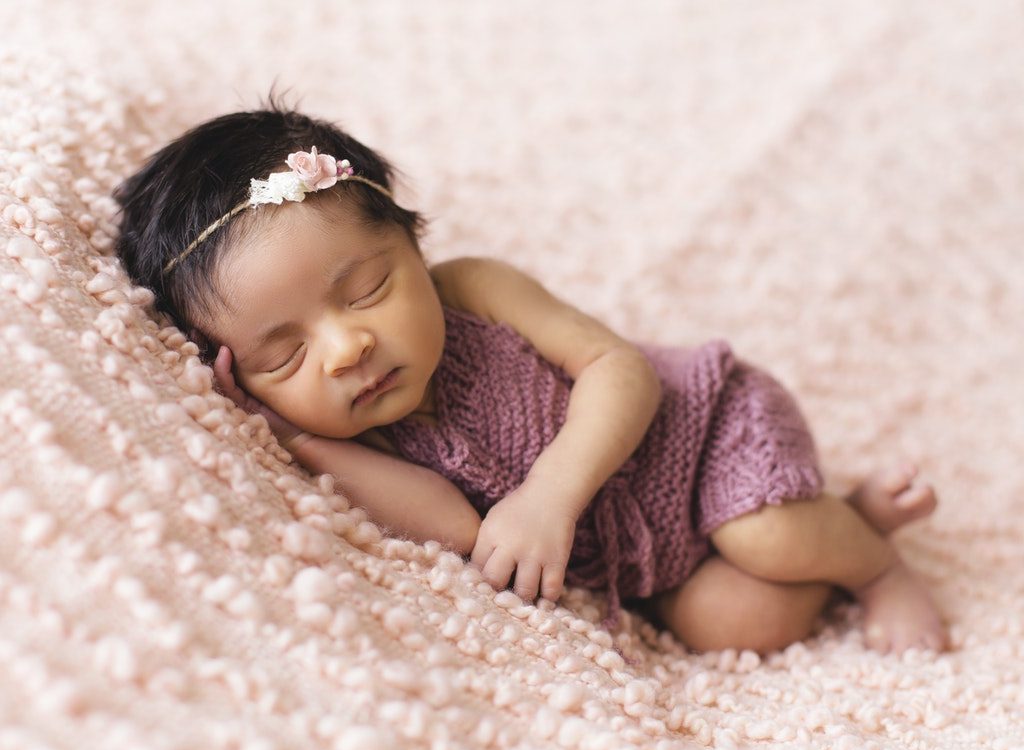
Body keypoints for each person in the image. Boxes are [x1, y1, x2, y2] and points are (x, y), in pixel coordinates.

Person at [113, 92, 947, 656]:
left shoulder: (475, 291)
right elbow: (454, 528)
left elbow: (621, 370)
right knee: (739, 624)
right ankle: (842, 513)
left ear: (415, 245)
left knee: (764, 534)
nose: (346, 350)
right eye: (282, 356)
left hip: (708, 431)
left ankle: (874, 563)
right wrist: (294, 436)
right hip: (661, 561)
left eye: (367, 289)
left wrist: (550, 497)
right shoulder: (355, 432)